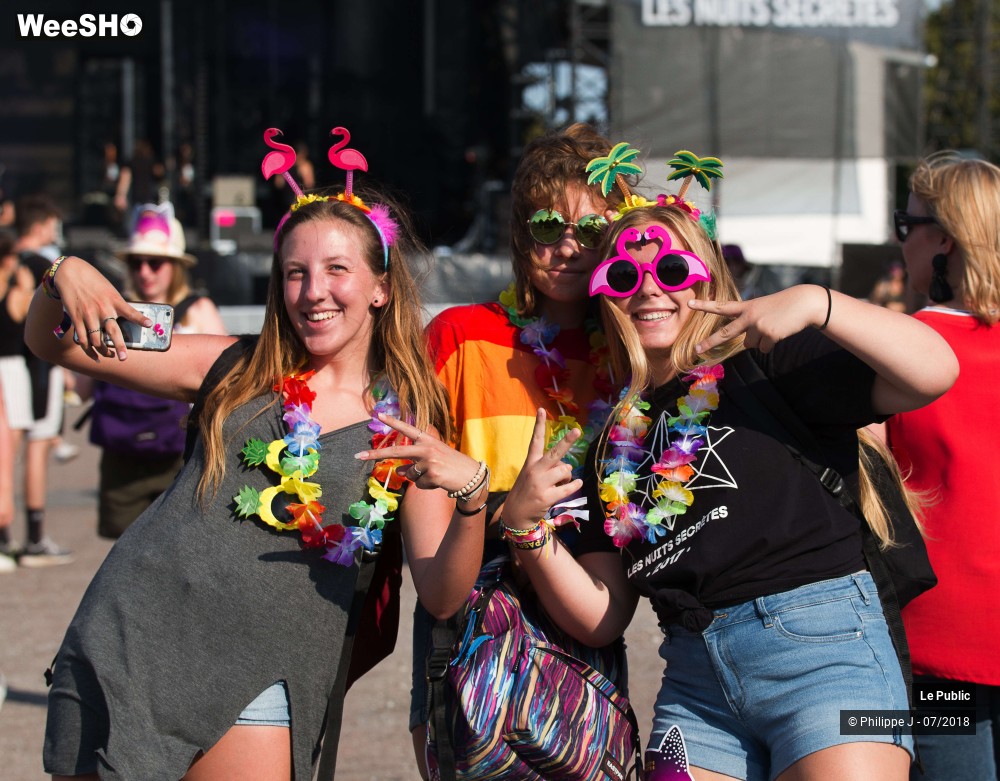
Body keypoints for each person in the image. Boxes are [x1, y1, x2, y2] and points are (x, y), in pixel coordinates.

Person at [27, 134, 488, 779]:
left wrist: (473, 495)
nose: (312, 291)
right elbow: (53, 343)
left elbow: (442, 593)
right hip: (134, 640)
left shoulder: (406, 422)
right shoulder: (235, 367)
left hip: (266, 676)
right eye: (295, 272)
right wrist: (61, 274)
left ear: (380, 287)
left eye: (336, 269)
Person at [492, 150, 959, 780]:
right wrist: (526, 528)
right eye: (624, 277)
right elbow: (603, 616)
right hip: (697, 682)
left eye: (672, 268)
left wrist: (819, 302)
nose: (650, 288)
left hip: (829, 656)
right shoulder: (611, 445)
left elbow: (936, 370)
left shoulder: (765, 365)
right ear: (605, 295)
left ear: (706, 277)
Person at [402, 122, 625, 777]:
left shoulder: (629, 359)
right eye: (548, 225)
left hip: (579, 623)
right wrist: (505, 509)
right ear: (521, 234)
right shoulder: (459, 336)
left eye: (590, 231)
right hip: (467, 625)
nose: (567, 247)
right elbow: (421, 493)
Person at [883, 151, 1000, 781]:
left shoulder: (903, 352)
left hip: (934, 643)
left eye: (907, 223)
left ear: (944, 241)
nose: (898, 240)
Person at [87, 202, 227, 539]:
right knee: (121, 554)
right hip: (122, 457)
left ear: (176, 266)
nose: (145, 272)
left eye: (155, 262)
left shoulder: (199, 311)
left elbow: (227, 383)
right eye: (137, 263)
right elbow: (81, 385)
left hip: (180, 454)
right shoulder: (109, 312)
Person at [13, 194, 72, 565]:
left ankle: (5, 538)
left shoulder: (7, 259)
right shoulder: (44, 267)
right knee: (39, 445)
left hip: (8, 363)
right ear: (40, 227)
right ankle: (34, 538)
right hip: (37, 366)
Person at [0, 229, 36, 567]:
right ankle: (4, 539)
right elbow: (34, 327)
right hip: (10, 374)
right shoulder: (15, 294)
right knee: (6, 460)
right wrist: (25, 286)